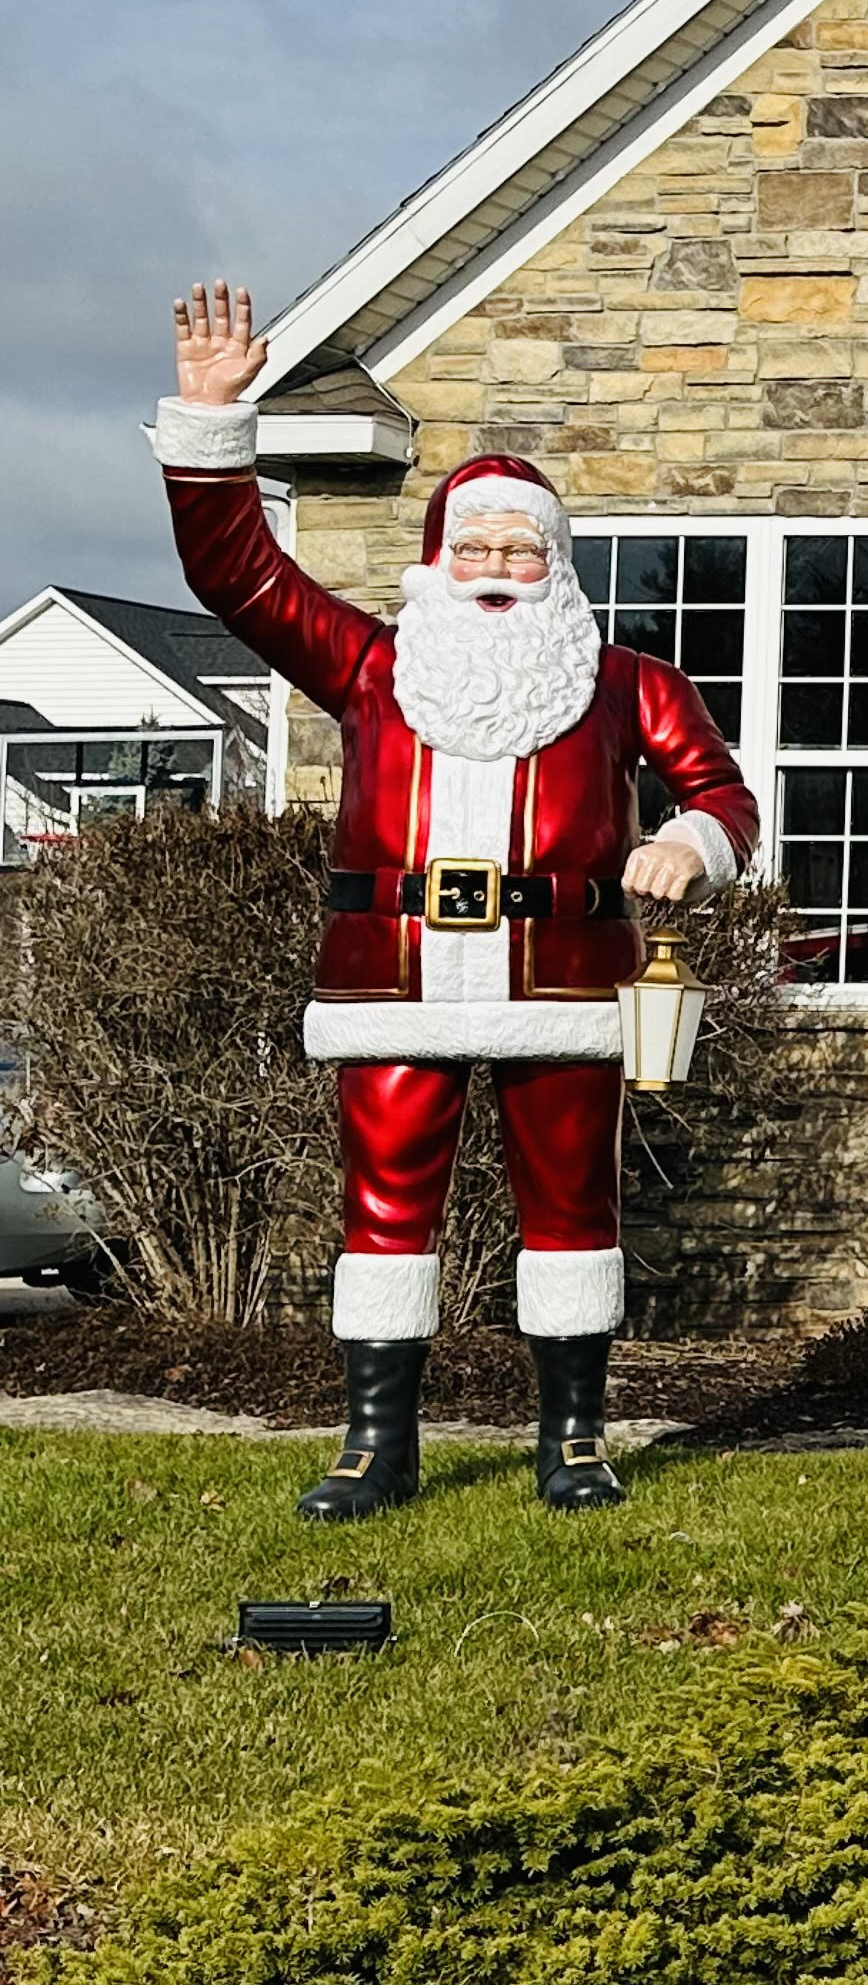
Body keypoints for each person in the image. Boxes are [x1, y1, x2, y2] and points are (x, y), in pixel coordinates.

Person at [155, 283, 757, 1519]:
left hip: (567, 978)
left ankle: (574, 1439)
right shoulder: (369, 663)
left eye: (519, 549)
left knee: (573, 1205)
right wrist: (214, 426)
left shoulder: (622, 680)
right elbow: (238, 575)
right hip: (395, 975)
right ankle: (378, 1444)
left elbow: (722, 792)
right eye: (473, 548)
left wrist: (692, 841)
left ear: (556, 563)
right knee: (382, 1205)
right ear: (437, 559)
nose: (495, 569)